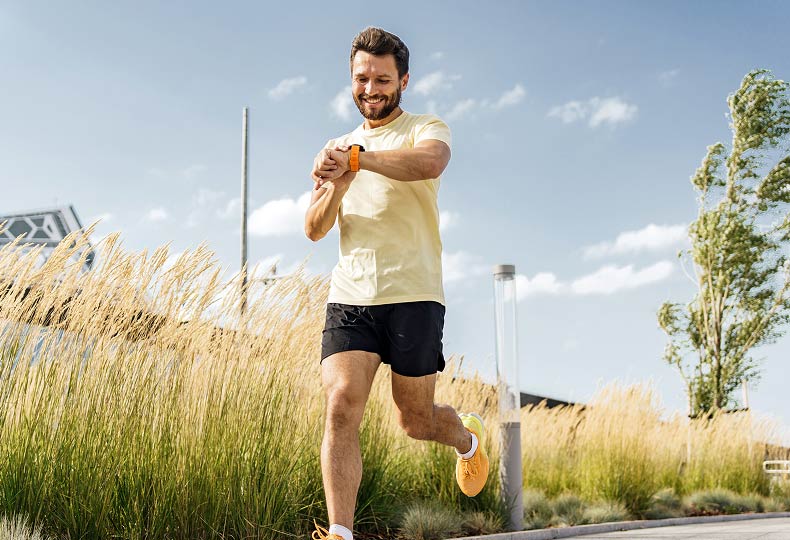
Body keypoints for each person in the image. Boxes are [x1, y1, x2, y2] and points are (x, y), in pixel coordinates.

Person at [304, 27, 489, 540]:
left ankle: (467, 439)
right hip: (351, 297)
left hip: (414, 294)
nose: (371, 89)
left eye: (382, 79)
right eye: (362, 78)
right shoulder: (335, 148)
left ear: (404, 81)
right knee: (341, 404)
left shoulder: (425, 127)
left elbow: (429, 163)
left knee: (414, 420)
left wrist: (359, 160)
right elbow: (314, 229)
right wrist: (338, 183)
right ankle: (341, 533)